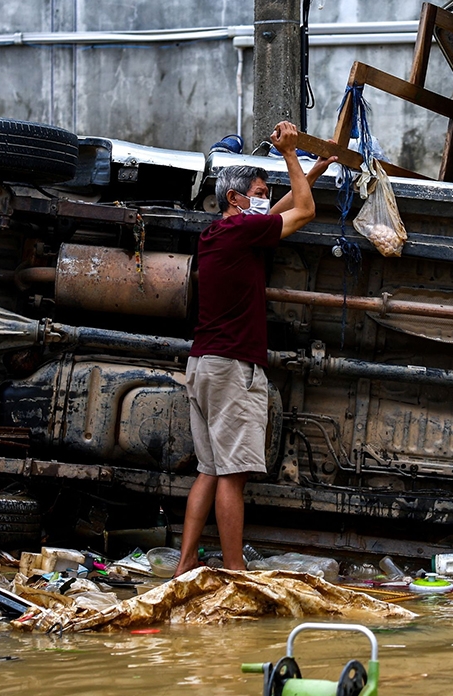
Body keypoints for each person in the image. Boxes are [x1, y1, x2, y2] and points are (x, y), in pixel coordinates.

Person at [175, 122, 335, 575]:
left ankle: (184, 564)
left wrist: (312, 171)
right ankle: (235, 573)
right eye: (260, 193)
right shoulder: (243, 233)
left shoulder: (217, 233)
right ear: (235, 198)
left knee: (209, 470)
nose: (266, 199)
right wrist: (291, 155)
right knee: (232, 475)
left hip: (203, 365)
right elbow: (304, 211)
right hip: (232, 368)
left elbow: (281, 211)